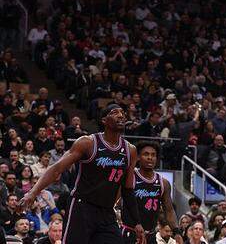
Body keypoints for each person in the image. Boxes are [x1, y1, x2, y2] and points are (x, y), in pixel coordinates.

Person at [18, 104, 145, 244]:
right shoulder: (87, 142)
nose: (121, 115)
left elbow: (128, 189)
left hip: (107, 212)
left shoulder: (130, 150)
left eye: (122, 112)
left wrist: (137, 222)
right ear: (104, 120)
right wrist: (33, 192)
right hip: (82, 207)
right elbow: (56, 169)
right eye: (115, 113)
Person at [122, 141, 182, 244]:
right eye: (146, 154)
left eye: (153, 155)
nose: (150, 157)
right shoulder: (130, 177)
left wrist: (177, 232)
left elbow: (169, 210)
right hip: (130, 233)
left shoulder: (164, 183)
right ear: (138, 157)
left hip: (150, 235)